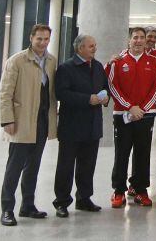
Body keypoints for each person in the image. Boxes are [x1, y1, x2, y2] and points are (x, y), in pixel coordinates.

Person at [0, 24, 58, 227]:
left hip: (41, 122)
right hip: (21, 122)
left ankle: (28, 205)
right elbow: (5, 93)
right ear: (31, 38)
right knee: (14, 168)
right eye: (39, 38)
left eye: (46, 39)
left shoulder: (51, 61)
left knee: (33, 167)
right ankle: (7, 209)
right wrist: (7, 120)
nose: (42, 42)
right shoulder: (17, 61)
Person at [53, 34, 109, 218]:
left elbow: (105, 87)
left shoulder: (98, 66)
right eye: (90, 46)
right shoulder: (66, 68)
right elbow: (61, 93)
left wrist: (105, 96)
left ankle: (84, 198)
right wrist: (87, 99)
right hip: (72, 126)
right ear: (79, 48)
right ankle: (61, 202)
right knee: (66, 166)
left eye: (95, 45)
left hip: (93, 125)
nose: (94, 48)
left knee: (87, 165)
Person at [108, 27, 156, 208]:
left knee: (143, 153)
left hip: (145, 116)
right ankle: (118, 191)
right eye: (135, 37)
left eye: (142, 38)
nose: (139, 41)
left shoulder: (154, 61)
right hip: (122, 115)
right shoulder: (118, 61)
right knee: (121, 153)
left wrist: (143, 109)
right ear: (129, 40)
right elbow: (113, 87)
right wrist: (130, 107)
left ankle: (140, 190)